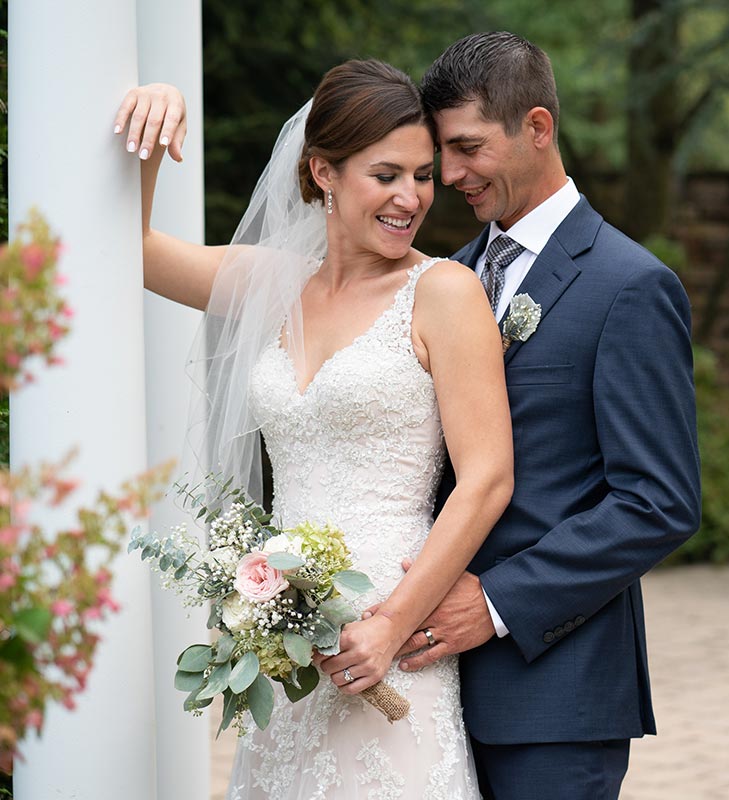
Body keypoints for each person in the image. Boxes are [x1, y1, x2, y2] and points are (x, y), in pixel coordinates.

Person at [114, 60, 512, 798]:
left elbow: (487, 479)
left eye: (422, 176)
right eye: (386, 175)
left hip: (392, 630)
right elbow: (131, 252)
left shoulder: (444, 292)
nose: (411, 197)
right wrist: (154, 117)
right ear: (323, 172)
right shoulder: (272, 282)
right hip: (285, 634)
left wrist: (391, 625)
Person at [386, 32, 702, 800]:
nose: (448, 176)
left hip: (555, 696)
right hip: (425, 695)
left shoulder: (629, 286)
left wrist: (497, 603)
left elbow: (658, 501)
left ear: (536, 127)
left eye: (467, 149)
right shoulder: (445, 279)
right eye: (441, 153)